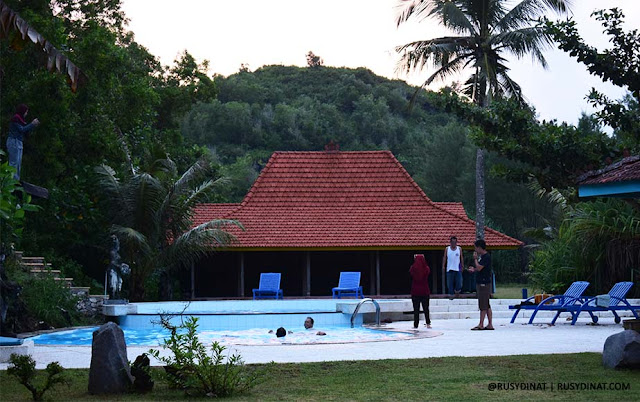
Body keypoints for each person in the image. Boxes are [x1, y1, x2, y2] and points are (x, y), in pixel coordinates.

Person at [6, 104, 40, 181]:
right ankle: (10, 180)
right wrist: (32, 124)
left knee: (18, 163)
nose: (26, 113)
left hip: (19, 142)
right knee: (13, 163)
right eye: (26, 112)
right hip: (14, 141)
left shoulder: (21, 120)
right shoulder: (16, 118)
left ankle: (16, 180)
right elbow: (22, 130)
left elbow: (25, 131)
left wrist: (33, 126)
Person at [468, 239, 494, 330]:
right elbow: (480, 268)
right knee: (486, 304)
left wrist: (475, 260)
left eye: (476, 248)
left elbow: (479, 267)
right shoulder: (483, 257)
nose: (475, 250)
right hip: (483, 281)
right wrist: (474, 269)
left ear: (479, 248)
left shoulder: (486, 257)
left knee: (483, 304)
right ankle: (490, 324)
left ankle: (481, 324)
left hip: (483, 283)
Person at [409, 254, 431, 329]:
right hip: (425, 291)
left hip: (415, 291)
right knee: (426, 308)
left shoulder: (413, 268)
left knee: (416, 309)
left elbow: (411, 274)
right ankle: (428, 323)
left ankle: (416, 324)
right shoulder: (426, 268)